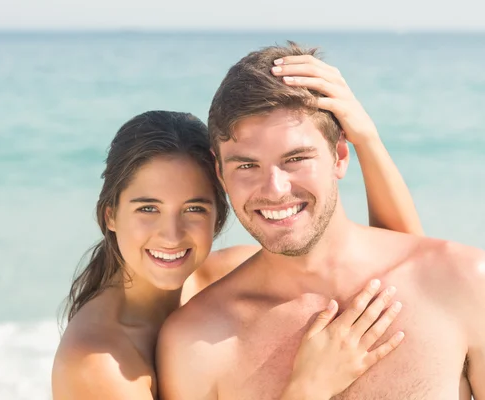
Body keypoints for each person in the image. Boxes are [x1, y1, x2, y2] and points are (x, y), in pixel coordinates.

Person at [51, 56, 424, 399]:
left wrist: (366, 139)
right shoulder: (98, 362)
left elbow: (405, 266)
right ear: (109, 216)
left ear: (220, 213)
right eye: (148, 208)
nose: (171, 233)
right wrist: (308, 388)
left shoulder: (228, 275)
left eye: (194, 208)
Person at [156, 42, 485, 400]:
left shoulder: (463, 281)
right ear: (220, 173)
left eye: (295, 158)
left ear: (340, 155)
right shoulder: (198, 340)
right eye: (247, 165)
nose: (275, 189)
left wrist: (367, 136)